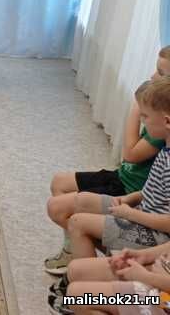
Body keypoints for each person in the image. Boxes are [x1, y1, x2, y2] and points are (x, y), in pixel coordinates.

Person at [45, 47, 170, 275]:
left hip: (149, 225)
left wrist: (131, 213)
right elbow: (151, 190)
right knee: (62, 197)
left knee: (78, 225)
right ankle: (81, 260)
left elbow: (130, 154)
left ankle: (85, 273)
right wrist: (130, 200)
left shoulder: (161, 135)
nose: (153, 76)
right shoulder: (165, 146)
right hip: (135, 200)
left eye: (161, 74)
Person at [50, 243, 170, 314]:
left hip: (165, 298)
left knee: (77, 296)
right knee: (76, 269)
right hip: (161, 274)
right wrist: (145, 255)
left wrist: (147, 277)